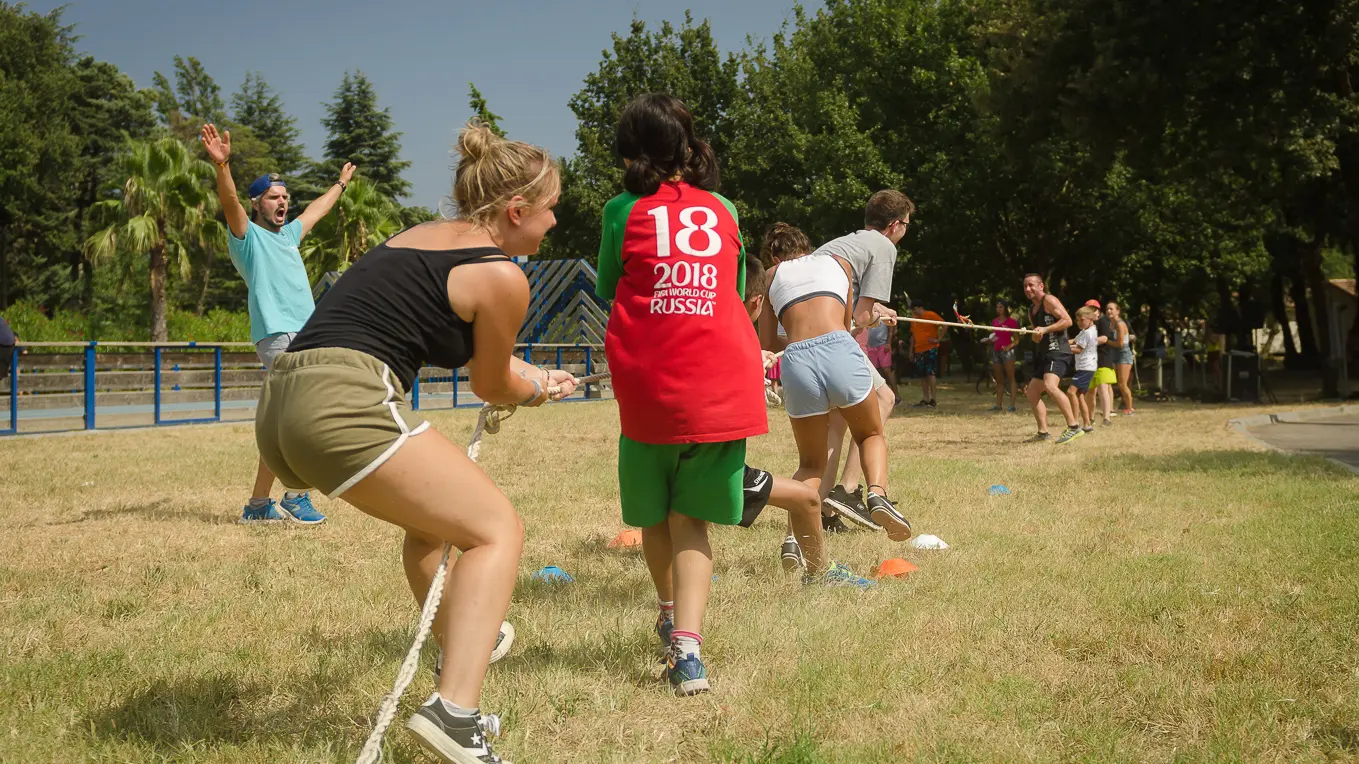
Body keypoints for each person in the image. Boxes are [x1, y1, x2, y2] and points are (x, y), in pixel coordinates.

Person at [253, 122, 572, 762]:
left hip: (283, 403)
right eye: (550, 208)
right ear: (516, 210)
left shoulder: (413, 237)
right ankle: (455, 712)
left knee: (433, 530)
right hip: (346, 399)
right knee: (496, 529)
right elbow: (492, 383)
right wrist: (534, 388)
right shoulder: (502, 276)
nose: (555, 222)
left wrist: (527, 378)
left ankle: (466, 632)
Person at [595, 93, 770, 697]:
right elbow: (736, 288)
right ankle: (688, 651)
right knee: (691, 518)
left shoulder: (622, 208)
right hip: (724, 381)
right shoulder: (724, 207)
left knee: (653, 516)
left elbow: (606, 285)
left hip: (651, 385)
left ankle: (671, 616)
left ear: (629, 152)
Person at [201, 123, 355, 526]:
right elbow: (229, 199)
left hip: (305, 335)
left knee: (283, 423)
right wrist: (223, 166)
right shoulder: (246, 237)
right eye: (274, 197)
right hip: (277, 336)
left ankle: (257, 506)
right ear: (257, 204)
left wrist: (340, 185)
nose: (283, 201)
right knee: (300, 418)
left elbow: (317, 210)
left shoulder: (288, 236)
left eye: (286, 196)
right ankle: (296, 496)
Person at [757, 221, 912, 548]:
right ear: (807, 246)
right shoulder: (839, 263)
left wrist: (798, 336)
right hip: (839, 348)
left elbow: (770, 341)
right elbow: (847, 325)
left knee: (810, 465)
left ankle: (793, 541)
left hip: (797, 362)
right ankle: (877, 495)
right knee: (870, 433)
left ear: (773, 254)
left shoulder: (771, 278)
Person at [736, 251, 861, 582]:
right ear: (755, 303)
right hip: (714, 467)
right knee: (807, 497)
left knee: (679, 522)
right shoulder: (728, 338)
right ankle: (819, 574)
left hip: (657, 456)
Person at [810, 191, 915, 531]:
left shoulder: (839, 244)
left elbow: (849, 307)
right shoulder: (884, 246)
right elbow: (862, 314)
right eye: (907, 225)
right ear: (895, 224)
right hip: (829, 336)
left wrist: (875, 313)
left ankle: (821, 508)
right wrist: (875, 316)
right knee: (883, 398)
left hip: (801, 335)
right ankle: (848, 489)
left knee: (839, 419)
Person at [1022, 274, 1083, 444]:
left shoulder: (1049, 300)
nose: (1028, 289)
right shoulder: (1030, 310)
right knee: (1032, 392)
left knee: (1050, 386)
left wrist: (1046, 329)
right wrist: (1034, 335)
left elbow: (1067, 320)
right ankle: (1043, 432)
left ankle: (1073, 427)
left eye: (1031, 285)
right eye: (1025, 286)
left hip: (1059, 352)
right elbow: (1037, 336)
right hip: (1045, 354)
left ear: (1041, 286)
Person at [1067, 305, 1099, 432]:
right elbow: (1073, 341)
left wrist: (1062, 349)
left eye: (1082, 320)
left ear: (1091, 319)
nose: (1079, 322)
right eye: (1078, 320)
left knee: (1070, 392)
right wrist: (1058, 342)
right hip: (1086, 367)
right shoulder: (1085, 331)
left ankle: (1074, 422)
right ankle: (1087, 425)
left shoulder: (1087, 333)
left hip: (1085, 368)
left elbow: (1078, 349)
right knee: (1080, 395)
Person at [907, 302, 945, 408]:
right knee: (922, 375)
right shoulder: (914, 319)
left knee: (930, 373)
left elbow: (945, 325)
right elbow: (913, 336)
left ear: (920, 307)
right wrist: (911, 350)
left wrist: (938, 339)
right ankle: (925, 399)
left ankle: (933, 399)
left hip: (930, 348)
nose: (913, 312)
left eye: (914, 309)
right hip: (919, 349)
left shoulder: (931, 315)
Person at [984, 300, 1019, 412]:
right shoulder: (994, 321)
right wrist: (990, 340)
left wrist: (1009, 346)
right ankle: (998, 405)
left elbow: (1017, 340)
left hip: (1007, 352)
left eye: (1001, 307)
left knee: (1010, 377)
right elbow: (995, 336)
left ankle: (1012, 405)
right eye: (997, 307)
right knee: (999, 379)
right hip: (996, 351)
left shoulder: (1011, 322)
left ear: (1005, 308)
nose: (998, 309)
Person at [1089, 299, 1117, 426]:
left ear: (1098, 311)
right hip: (1090, 361)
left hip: (1103, 359)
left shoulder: (1103, 321)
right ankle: (1090, 418)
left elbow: (1104, 338)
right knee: (1089, 391)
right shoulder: (1088, 323)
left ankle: (1106, 418)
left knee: (1103, 389)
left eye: (1093, 309)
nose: (1090, 312)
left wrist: (1086, 341)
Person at [1107, 301, 1136, 414]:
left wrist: (1106, 341)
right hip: (1114, 354)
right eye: (1107, 309)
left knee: (1122, 383)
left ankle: (1130, 408)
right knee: (1110, 382)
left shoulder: (1120, 324)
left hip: (1123, 354)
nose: (1109, 311)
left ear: (1117, 311)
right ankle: (1110, 408)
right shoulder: (1111, 324)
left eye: (1111, 309)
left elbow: (1120, 344)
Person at [861, 319, 898, 403]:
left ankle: (896, 396)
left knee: (887, 370)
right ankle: (880, 396)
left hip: (883, 345)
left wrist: (889, 342)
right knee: (876, 372)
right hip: (871, 346)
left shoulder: (883, 312)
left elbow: (891, 327)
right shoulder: (868, 312)